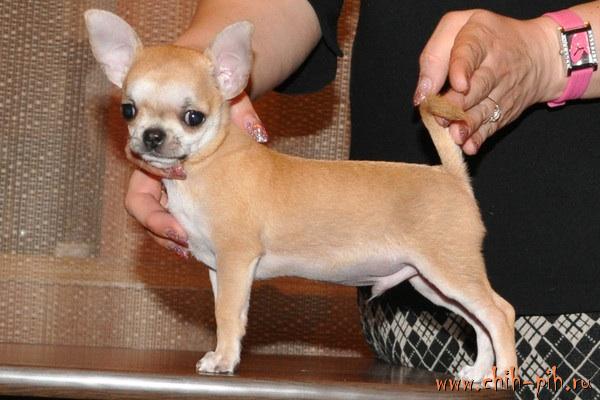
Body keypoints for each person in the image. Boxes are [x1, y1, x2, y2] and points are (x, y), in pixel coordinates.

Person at [124, 1, 600, 397]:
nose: (152, 128)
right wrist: (182, 68)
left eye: (188, 116)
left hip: (571, 288)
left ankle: (503, 369)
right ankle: (487, 355)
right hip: (404, 339)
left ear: (229, 77)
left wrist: (547, 51)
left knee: (467, 291)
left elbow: (235, 254)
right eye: (132, 110)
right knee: (441, 287)